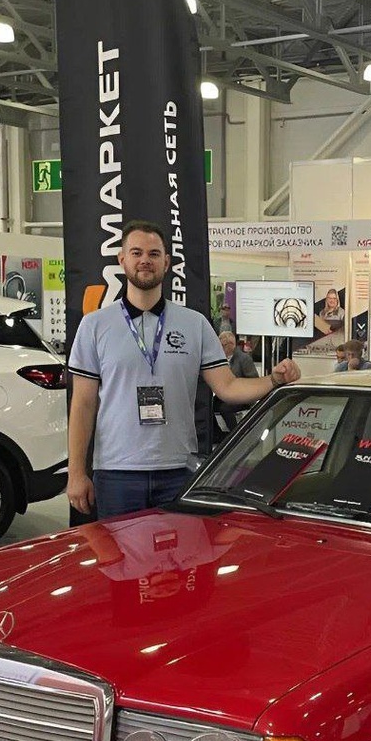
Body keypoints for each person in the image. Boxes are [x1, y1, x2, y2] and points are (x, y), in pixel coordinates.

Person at [68, 220, 300, 519]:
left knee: (181, 550)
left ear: (166, 262)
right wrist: (76, 473)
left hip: (178, 471)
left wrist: (273, 379)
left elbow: (228, 387)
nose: (145, 260)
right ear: (122, 259)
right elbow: (83, 403)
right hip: (117, 472)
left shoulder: (194, 324)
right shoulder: (95, 325)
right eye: (137, 253)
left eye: (154, 254)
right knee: (119, 551)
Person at [215, 330, 259, 436]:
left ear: (230, 345)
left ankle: (236, 433)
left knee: (225, 408)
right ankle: (217, 433)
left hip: (243, 396)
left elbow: (253, 380)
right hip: (229, 393)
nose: (220, 348)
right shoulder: (222, 358)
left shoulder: (244, 359)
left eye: (222, 346)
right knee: (211, 404)